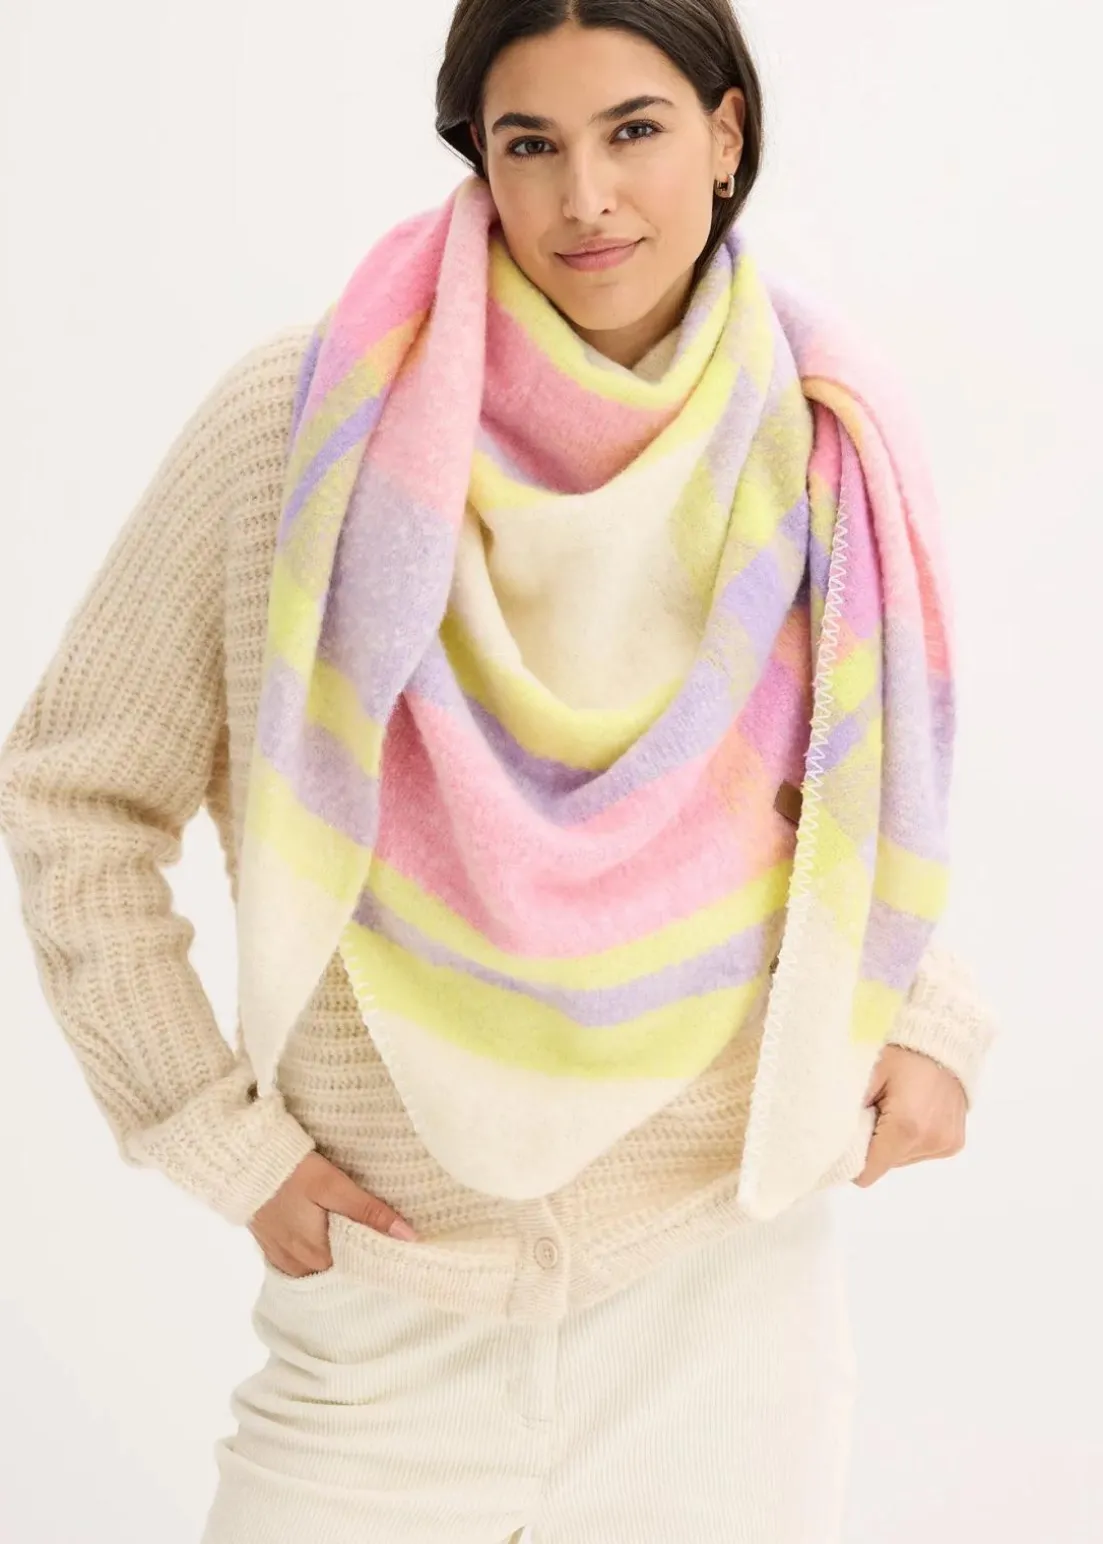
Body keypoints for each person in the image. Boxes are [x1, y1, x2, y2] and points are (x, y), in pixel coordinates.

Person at [0, 2, 1000, 1541]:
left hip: (723, 1309)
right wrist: (216, 1135)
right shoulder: (303, 426)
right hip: (382, 1320)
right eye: (530, 143)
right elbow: (75, 788)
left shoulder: (819, 440)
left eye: (634, 130)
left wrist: (929, 1014)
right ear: (478, 153)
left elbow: (852, 792)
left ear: (724, 133)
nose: (583, 198)